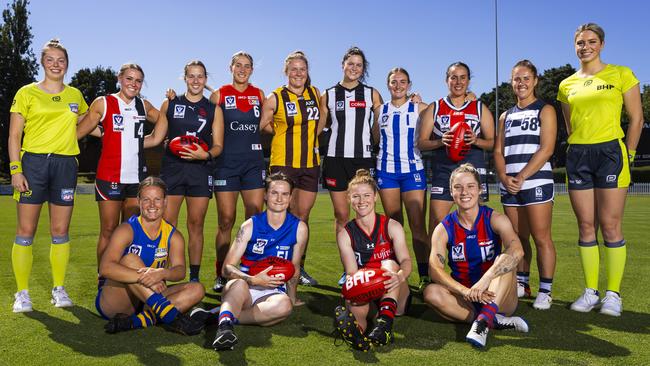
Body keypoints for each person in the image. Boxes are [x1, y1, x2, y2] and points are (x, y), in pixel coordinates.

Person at [557, 23, 643, 316]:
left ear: (602, 44)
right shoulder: (566, 85)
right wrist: (579, 144)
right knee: (585, 226)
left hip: (611, 154)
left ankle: (613, 295)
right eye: (580, 42)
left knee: (610, 225)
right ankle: (590, 291)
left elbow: (636, 118)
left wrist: (628, 155)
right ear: (575, 46)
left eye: (591, 41)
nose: (586, 47)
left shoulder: (621, 74)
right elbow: (570, 125)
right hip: (579, 155)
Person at [9, 39, 88, 312]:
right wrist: (15, 169)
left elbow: (89, 124)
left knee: (60, 231)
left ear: (67, 64)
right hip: (33, 165)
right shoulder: (26, 92)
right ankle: (22, 293)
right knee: (25, 231)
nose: (56, 64)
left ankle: (58, 288)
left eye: (61, 60)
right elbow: (14, 135)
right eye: (50, 59)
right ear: (43, 63)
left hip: (66, 166)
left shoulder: (76, 95)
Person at [423, 164, 528, 349]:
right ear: (451, 192)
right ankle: (491, 320)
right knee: (430, 293)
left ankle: (481, 323)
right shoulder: (443, 228)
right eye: (458, 187)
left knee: (505, 260)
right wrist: (465, 291)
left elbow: (517, 250)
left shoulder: (495, 218)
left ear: (480, 190)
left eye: (470, 186)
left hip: (499, 295)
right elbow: (434, 269)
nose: (465, 192)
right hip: (467, 297)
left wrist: (485, 279)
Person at [205, 173, 307, 351]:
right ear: (266, 195)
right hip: (244, 286)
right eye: (274, 193)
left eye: (284, 194)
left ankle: (218, 316)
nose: (279, 198)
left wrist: (291, 298)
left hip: (273, 291)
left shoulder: (299, 228)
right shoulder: (250, 225)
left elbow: (294, 268)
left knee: (284, 307)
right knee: (237, 285)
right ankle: (224, 329)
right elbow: (226, 269)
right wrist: (253, 280)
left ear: (290, 198)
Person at [76, 63, 161, 272]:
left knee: (131, 231)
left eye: (138, 80)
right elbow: (79, 130)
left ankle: (126, 277)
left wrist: (152, 139)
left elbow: (165, 120)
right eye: (129, 79)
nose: (134, 84)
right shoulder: (103, 103)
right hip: (109, 176)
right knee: (108, 230)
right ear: (119, 79)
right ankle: (103, 276)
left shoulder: (144, 105)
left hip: (137, 180)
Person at [96, 177, 205, 335]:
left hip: (148, 300)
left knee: (197, 289)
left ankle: (136, 321)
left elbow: (180, 270)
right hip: (118, 301)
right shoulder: (127, 229)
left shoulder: (173, 235)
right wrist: (147, 279)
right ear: (139, 201)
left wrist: (162, 274)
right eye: (146, 199)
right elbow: (105, 268)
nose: (152, 205)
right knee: (130, 259)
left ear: (165, 202)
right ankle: (171, 316)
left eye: (157, 199)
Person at [148, 60, 224, 283]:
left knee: (196, 225)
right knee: (168, 223)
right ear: (184, 78)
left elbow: (218, 145)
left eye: (200, 76)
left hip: (200, 171)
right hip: (172, 169)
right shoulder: (170, 103)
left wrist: (205, 155)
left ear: (205, 80)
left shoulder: (213, 109)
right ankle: (164, 273)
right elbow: (158, 137)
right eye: (191, 76)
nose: (196, 80)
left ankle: (194, 277)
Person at [493, 60, 557, 310]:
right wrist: (503, 176)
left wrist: (522, 176)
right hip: (510, 185)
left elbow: (547, 148)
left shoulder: (545, 109)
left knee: (542, 238)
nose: (521, 83)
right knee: (518, 238)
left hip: (535, 182)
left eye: (526, 78)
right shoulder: (505, 115)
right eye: (516, 79)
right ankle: (522, 282)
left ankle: (546, 290)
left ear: (535, 80)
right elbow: (498, 151)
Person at [418, 62, 495, 253]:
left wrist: (476, 140)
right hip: (444, 170)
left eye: (463, 77)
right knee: (436, 224)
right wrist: (440, 141)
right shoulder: (436, 107)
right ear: (447, 80)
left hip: (472, 170)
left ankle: (476, 270)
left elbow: (493, 142)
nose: (458, 82)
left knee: (476, 223)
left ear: (468, 80)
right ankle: (433, 274)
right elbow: (421, 142)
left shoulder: (479, 108)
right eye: (454, 77)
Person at [260, 50, 321, 286]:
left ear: (307, 73)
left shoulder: (315, 93)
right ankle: (274, 265)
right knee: (280, 215)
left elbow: (322, 118)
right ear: (286, 72)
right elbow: (263, 125)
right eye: (293, 69)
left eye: (302, 69)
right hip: (283, 163)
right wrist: (282, 132)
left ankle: (298, 268)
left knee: (302, 217)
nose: (298, 73)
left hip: (310, 163)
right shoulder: (275, 97)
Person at [334, 169, 412, 351]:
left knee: (389, 264)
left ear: (376, 196)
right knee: (353, 305)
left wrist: (400, 277)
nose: (362, 201)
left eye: (367, 195)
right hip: (369, 292)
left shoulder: (392, 226)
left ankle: (384, 325)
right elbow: (352, 274)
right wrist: (353, 293)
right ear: (349, 199)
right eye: (356, 196)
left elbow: (406, 261)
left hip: (395, 291)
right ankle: (358, 336)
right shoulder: (345, 234)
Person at [210, 52, 266, 292]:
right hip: (225, 164)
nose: (242, 69)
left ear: (252, 70)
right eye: (238, 65)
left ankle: (250, 268)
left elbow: (268, 124)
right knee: (226, 220)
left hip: (253, 163)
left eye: (247, 66)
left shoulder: (259, 95)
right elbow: (204, 122)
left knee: (254, 218)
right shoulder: (219, 94)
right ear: (230, 67)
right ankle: (222, 272)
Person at [373, 67, 429, 291]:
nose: (398, 86)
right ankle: (397, 275)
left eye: (402, 82)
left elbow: (446, 113)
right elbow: (376, 138)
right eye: (394, 82)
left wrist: (471, 97)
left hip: (413, 170)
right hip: (386, 171)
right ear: (388, 85)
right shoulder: (379, 111)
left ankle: (425, 275)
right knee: (394, 224)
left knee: (418, 226)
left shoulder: (421, 108)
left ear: (409, 84)